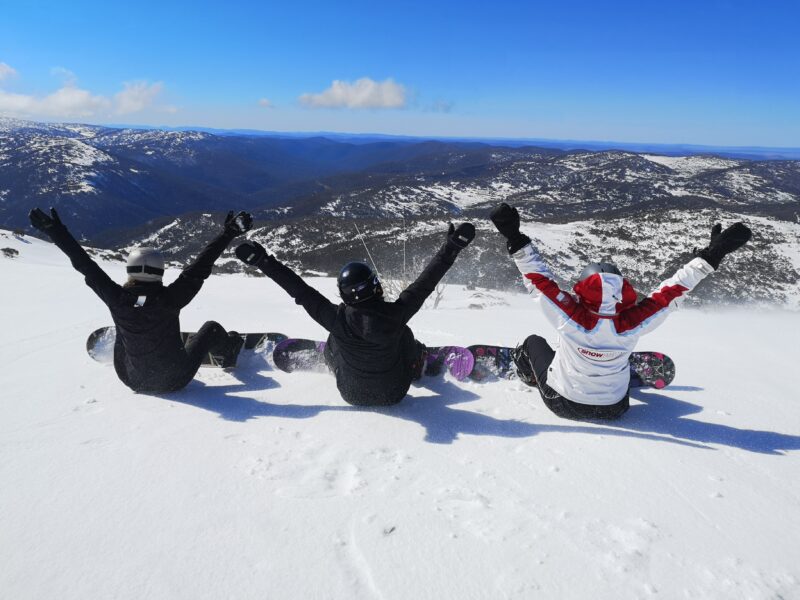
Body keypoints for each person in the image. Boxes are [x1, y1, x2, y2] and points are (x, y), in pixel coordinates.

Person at [489, 202, 752, 420]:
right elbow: (674, 290)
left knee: (533, 343)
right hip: (616, 408)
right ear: (622, 289)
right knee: (616, 354)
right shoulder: (633, 321)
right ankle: (615, 367)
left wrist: (514, 237)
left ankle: (527, 371)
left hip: (563, 403)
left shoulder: (569, 314)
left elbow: (538, 280)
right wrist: (712, 256)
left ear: (582, 286)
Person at [234, 222, 476, 406]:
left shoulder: (336, 319)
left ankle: (329, 357)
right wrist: (452, 247)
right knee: (404, 334)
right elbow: (426, 282)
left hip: (350, 395)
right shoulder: (396, 313)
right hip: (395, 394)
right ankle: (418, 360)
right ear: (376, 286)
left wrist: (263, 261)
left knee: (335, 337)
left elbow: (300, 290)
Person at [29, 207, 254, 393]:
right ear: (160, 272)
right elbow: (199, 268)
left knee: (122, 327)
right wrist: (228, 233)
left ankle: (134, 338)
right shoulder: (170, 299)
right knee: (212, 328)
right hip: (174, 380)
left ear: (130, 271)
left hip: (131, 379)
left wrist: (56, 232)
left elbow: (85, 265)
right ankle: (228, 348)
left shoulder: (116, 298)